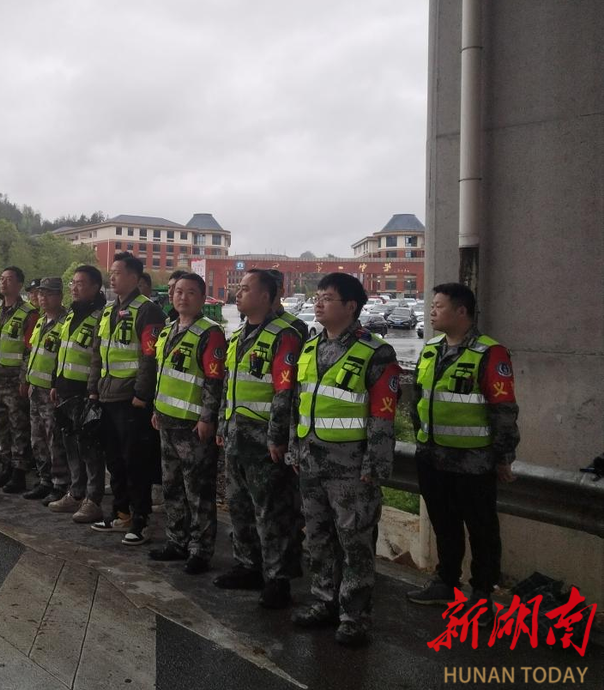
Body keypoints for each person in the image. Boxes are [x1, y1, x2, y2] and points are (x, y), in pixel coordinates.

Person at [289, 273, 400, 647]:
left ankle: (354, 616)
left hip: (351, 466)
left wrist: (375, 465)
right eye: (317, 297)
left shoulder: (375, 352)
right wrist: (294, 446)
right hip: (311, 458)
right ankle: (323, 600)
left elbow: (383, 414)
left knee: (354, 542)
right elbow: (299, 402)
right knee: (317, 537)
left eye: (328, 298)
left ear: (351, 306)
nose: (319, 303)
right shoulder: (311, 346)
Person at [406, 283, 519, 612]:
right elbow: (418, 400)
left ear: (461, 311)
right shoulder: (431, 349)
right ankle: (446, 581)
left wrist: (503, 456)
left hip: (473, 461)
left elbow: (504, 410)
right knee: (444, 525)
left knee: (481, 530)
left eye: (439, 306)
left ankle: (482, 594)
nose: (432, 311)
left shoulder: (490, 353)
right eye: (431, 305)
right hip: (432, 457)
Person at [215, 269, 304, 608]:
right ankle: (248, 565)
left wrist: (277, 437)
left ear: (267, 296)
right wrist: (223, 425)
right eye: (238, 288)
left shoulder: (286, 334)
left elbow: (284, 391)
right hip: (236, 435)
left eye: (245, 288)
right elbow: (229, 385)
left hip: (265, 440)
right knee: (240, 506)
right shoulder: (240, 334)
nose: (238, 293)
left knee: (272, 511)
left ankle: (277, 578)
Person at [147, 273, 226, 574]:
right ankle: (176, 541)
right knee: (172, 486)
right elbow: (163, 374)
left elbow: (213, 380)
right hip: (167, 421)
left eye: (191, 292)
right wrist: (157, 408)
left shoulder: (210, 333)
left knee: (198, 491)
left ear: (203, 298)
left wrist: (207, 417)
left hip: (193, 427)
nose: (182, 297)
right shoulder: (168, 331)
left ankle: (200, 550)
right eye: (178, 291)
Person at [87, 253, 165, 545]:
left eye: (117, 272)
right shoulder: (108, 311)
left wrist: (141, 394)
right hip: (107, 395)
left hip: (130, 399)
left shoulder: (147, 311)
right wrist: (93, 389)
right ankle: (121, 513)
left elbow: (149, 355)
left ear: (134, 276)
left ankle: (141, 519)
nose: (112, 277)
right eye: (111, 272)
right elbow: (98, 353)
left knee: (136, 462)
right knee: (115, 460)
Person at [48, 265, 108, 521]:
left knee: (90, 449)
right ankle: (75, 492)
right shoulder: (71, 315)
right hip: (65, 391)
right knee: (70, 445)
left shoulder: (101, 317)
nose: (74, 287)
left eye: (80, 283)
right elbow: (61, 351)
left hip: (85, 393)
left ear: (95, 287)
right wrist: (55, 382)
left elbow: (98, 358)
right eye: (72, 283)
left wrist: (93, 391)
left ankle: (93, 500)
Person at [0, 266, 40, 493]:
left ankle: (19, 472)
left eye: (9, 279)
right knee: (2, 427)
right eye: (1, 279)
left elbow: (29, 350)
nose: (3, 283)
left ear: (19, 284)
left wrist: (24, 379)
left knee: (19, 428)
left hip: (15, 381)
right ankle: (6, 467)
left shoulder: (29, 314)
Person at [23, 277, 70, 502]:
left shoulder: (65, 322)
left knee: (54, 440)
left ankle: (60, 483)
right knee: (37, 438)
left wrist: (56, 385)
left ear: (59, 296)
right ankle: (45, 480)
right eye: (41, 293)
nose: (43, 298)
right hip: (36, 389)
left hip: (52, 392)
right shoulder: (42, 321)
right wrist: (28, 381)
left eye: (49, 293)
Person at [267, 269, 309, 340]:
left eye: (273, 289)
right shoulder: (252, 321)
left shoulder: (297, 325)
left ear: (282, 292)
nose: (267, 294)